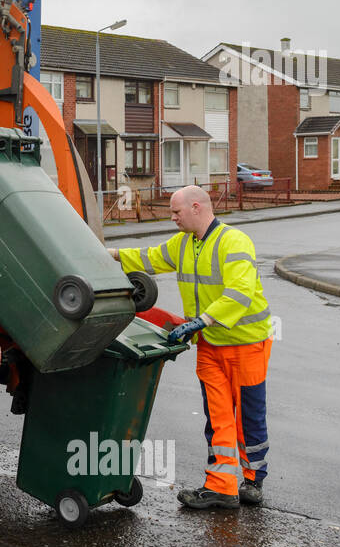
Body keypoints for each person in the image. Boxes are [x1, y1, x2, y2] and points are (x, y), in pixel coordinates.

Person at [110, 185, 272, 509]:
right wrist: (106, 254)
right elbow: (148, 258)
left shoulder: (234, 242)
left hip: (246, 343)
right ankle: (221, 487)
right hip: (210, 346)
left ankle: (253, 481)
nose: (172, 218)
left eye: (176, 212)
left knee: (248, 417)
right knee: (218, 418)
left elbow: (240, 292)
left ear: (196, 207)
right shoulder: (184, 244)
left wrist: (203, 320)